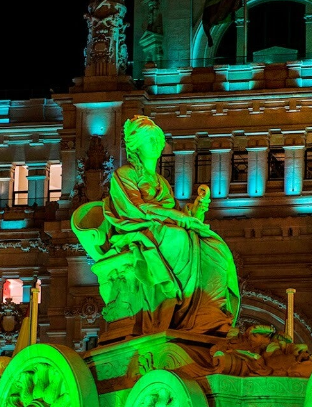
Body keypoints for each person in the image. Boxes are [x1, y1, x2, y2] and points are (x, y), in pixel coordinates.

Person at [73, 115, 241, 336]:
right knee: (179, 239)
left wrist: (197, 209)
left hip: (163, 229)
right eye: (148, 139)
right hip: (136, 228)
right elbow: (135, 208)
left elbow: (179, 213)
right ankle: (182, 311)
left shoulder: (161, 182)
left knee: (215, 248)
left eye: (156, 139)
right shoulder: (124, 175)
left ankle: (208, 313)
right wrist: (178, 218)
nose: (154, 144)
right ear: (136, 145)